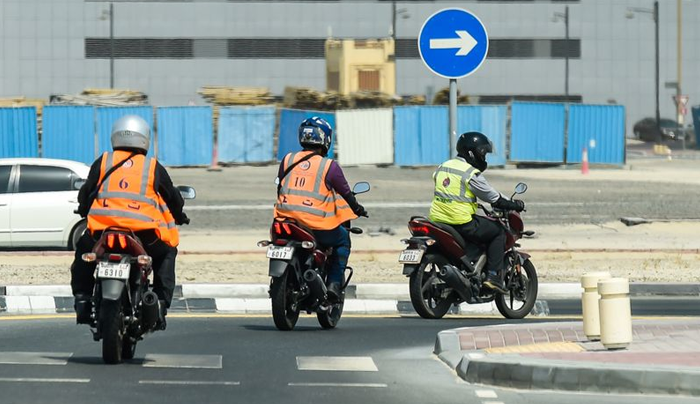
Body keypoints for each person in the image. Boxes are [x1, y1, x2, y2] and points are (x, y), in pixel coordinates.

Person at [71, 115, 189, 328]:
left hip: (102, 231)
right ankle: (160, 304)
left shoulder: (104, 161)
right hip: (143, 234)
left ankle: (82, 299)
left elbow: (87, 191)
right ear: (144, 138)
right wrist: (180, 215)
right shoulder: (151, 166)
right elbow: (172, 196)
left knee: (83, 254)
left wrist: (82, 208)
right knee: (167, 253)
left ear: (115, 136)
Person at [274, 117, 368, 301]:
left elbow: (280, 188)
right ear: (325, 139)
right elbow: (346, 194)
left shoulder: (287, 160)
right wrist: (358, 209)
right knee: (343, 241)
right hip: (315, 225)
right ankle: (333, 284)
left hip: (284, 221)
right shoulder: (329, 166)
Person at [429, 131, 525, 293]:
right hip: (460, 221)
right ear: (472, 153)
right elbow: (493, 197)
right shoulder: (469, 173)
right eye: (483, 153)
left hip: (437, 220)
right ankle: (493, 276)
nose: (484, 157)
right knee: (498, 232)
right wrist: (513, 204)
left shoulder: (443, 167)